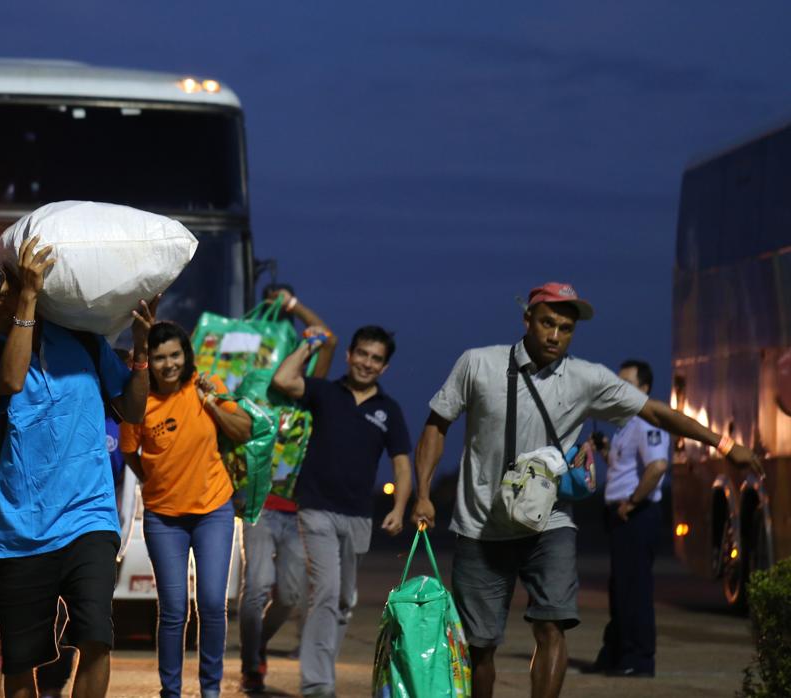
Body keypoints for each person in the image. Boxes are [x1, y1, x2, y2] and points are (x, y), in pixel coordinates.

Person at [411, 282, 763, 698]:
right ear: (527, 320)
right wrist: (423, 493)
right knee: (480, 646)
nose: (555, 336)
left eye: (565, 328)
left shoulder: (587, 378)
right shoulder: (477, 364)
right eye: (547, 323)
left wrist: (723, 444)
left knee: (552, 625)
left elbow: (655, 411)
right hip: (481, 525)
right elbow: (437, 425)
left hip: (549, 521)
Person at [0, 238, 155, 698]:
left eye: (6, 294)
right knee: (21, 662)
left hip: (90, 517)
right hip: (23, 531)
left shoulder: (84, 342)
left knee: (96, 639)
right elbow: (13, 378)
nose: (2, 307)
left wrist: (140, 351)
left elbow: (132, 409)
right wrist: (26, 296)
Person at [270, 324, 413, 698]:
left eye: (376, 358)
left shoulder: (389, 410)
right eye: (362, 354)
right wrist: (309, 344)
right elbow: (284, 379)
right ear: (349, 355)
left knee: (344, 601)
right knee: (326, 592)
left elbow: (401, 464)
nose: (367, 363)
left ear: (384, 367)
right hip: (316, 508)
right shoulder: (324, 392)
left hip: (358, 516)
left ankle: (320, 666)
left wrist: (399, 507)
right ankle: (318, 684)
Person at [119, 321, 251, 698]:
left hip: (214, 510)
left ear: (186, 354)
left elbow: (242, 430)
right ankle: (170, 691)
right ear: (151, 361)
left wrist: (210, 401)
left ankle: (211, 690)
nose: (168, 364)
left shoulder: (205, 386)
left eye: (175, 354)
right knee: (174, 610)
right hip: (163, 518)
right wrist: (156, 480)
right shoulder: (140, 399)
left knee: (212, 604)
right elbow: (130, 452)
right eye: (159, 357)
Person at [239, 285, 337, 694]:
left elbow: (327, 339)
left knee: (293, 594)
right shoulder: (249, 380)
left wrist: (294, 305)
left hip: (297, 506)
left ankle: (258, 643)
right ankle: (251, 666)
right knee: (257, 585)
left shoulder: (307, 389)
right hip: (257, 501)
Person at [586, 359, 668, 678]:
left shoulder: (648, 423)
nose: (618, 388)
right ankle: (617, 651)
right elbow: (624, 470)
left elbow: (657, 467)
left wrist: (632, 503)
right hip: (621, 517)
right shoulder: (627, 423)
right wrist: (605, 450)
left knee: (635, 590)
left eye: (626, 383)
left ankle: (639, 658)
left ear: (644, 389)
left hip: (637, 517)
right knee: (620, 588)